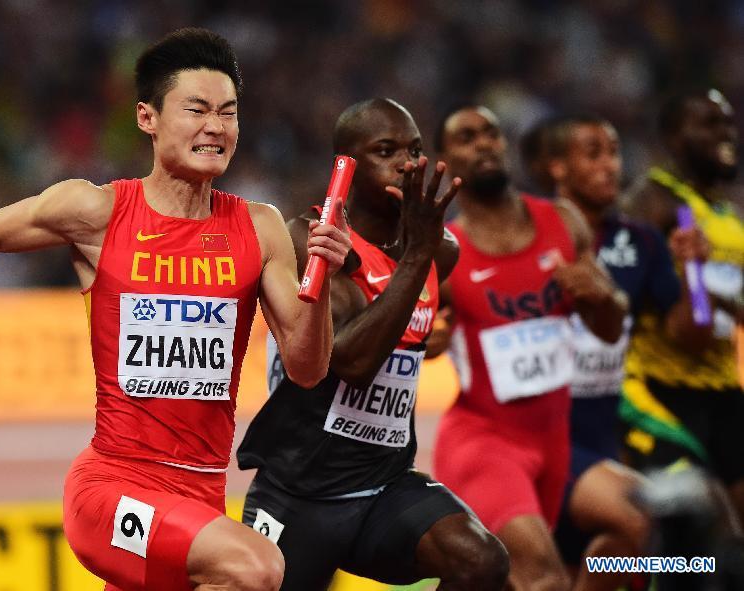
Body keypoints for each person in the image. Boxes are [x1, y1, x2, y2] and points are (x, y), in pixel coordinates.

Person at [0, 28, 353, 591]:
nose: (216, 127)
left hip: (200, 495)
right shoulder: (98, 212)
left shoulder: (259, 229)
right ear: (147, 118)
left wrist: (323, 280)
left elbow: (307, 369)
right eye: (197, 110)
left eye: (228, 113)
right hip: (113, 489)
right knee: (258, 567)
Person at [236, 98, 509, 591]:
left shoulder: (439, 250)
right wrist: (416, 256)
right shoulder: (311, 238)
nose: (407, 164)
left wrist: (431, 335)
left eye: (415, 150)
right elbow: (352, 361)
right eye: (386, 151)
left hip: (385, 487)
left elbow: (411, 325)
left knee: (481, 562)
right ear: (346, 164)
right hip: (300, 490)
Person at [430, 105, 627, 591]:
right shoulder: (444, 250)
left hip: (555, 440)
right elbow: (417, 338)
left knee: (625, 541)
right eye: (466, 137)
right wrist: (426, 341)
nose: (483, 143)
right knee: (543, 577)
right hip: (485, 443)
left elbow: (609, 328)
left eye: (491, 133)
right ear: (445, 160)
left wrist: (604, 298)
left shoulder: (563, 222)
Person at [535, 114, 707, 591]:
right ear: (558, 167)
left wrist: (695, 273)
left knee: (620, 559)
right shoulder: (527, 232)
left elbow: (692, 335)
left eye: (614, 152)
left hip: (605, 442)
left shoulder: (642, 241)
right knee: (647, 524)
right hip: (542, 442)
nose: (611, 165)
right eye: (594, 153)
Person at [619, 88, 744, 525]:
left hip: (723, 388)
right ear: (674, 136)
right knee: (697, 527)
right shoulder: (654, 201)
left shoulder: (728, 213)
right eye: (709, 123)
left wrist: (726, 303)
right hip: (663, 389)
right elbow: (625, 279)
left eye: (727, 122)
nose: (726, 133)